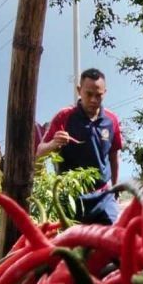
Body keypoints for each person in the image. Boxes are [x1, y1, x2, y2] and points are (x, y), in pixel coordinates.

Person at [37, 68, 123, 224]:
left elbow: (113, 156)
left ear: (105, 93)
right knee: (75, 247)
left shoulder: (112, 120)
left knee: (116, 240)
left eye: (98, 95)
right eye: (89, 94)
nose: (93, 100)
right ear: (79, 90)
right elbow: (39, 152)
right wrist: (53, 144)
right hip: (72, 198)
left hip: (104, 196)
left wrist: (115, 188)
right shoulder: (64, 116)